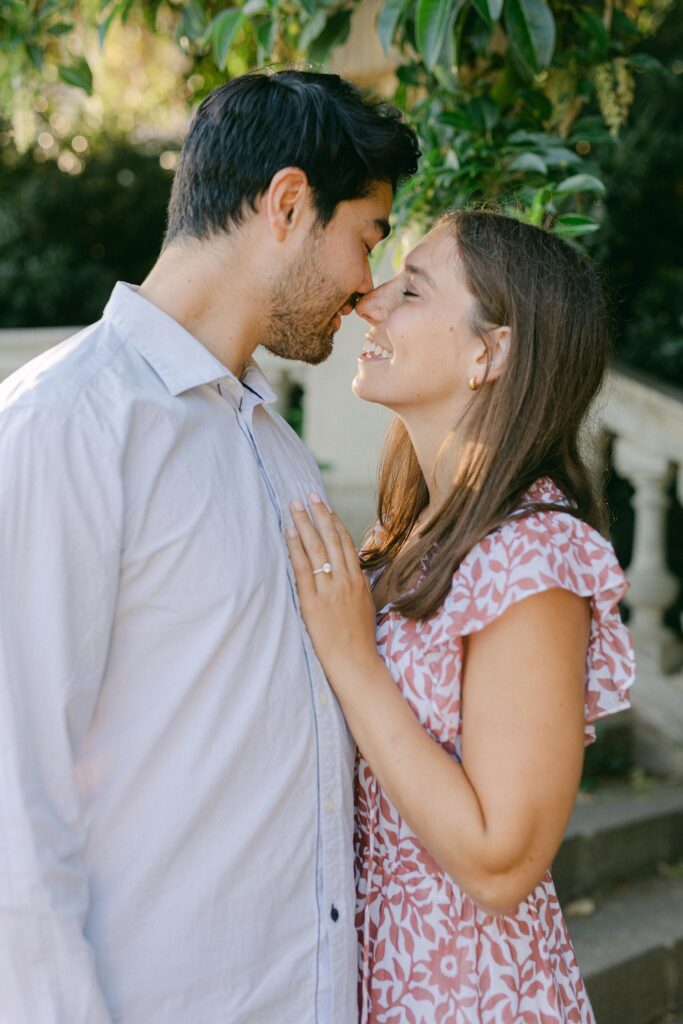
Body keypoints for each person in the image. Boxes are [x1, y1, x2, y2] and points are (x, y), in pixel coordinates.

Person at [0, 69, 419, 1023]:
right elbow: (11, 804)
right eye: (366, 238)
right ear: (286, 202)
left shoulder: (278, 447)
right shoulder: (63, 428)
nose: (365, 289)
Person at [285, 209, 635, 1023]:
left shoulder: (531, 559)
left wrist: (352, 661)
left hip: (469, 999)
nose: (370, 300)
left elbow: (501, 861)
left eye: (411, 288)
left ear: (490, 350)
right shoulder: (410, 541)